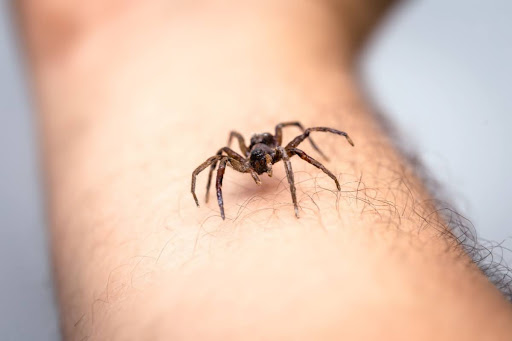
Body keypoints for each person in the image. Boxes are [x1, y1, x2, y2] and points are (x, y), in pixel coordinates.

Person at [17, 0, 512, 339]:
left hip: (272, 129)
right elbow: (212, 161)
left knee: (302, 144)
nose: (257, 165)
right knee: (217, 153)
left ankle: (310, 190)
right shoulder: (236, 154)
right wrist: (207, 192)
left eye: (261, 159)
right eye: (253, 160)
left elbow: (302, 137)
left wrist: (325, 176)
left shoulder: (278, 149)